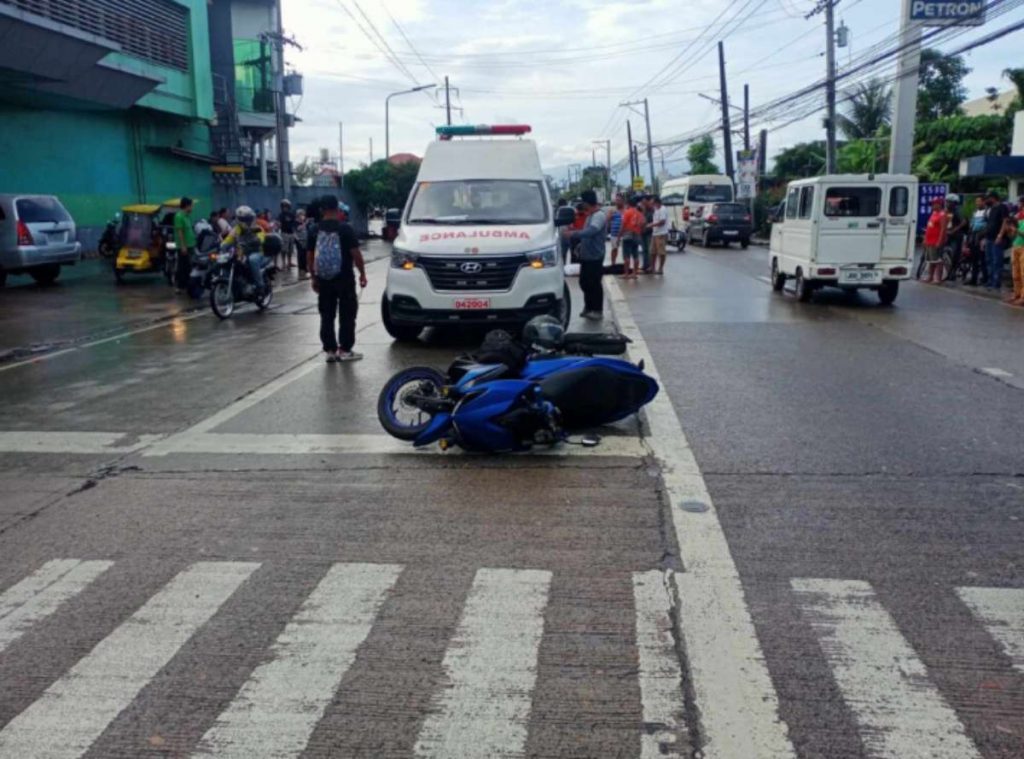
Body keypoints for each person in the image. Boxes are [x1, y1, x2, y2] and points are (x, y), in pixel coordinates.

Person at [310, 194, 367, 362]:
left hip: (324, 278)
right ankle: (345, 349)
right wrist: (362, 273)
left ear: (322, 210)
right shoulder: (345, 229)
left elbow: (310, 256)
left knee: (327, 314)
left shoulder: (314, 229)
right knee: (347, 314)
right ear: (337, 208)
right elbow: (355, 254)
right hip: (344, 278)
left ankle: (330, 350)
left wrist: (313, 278)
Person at [567, 189, 607, 320]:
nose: (582, 205)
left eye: (583, 202)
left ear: (586, 202)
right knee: (584, 282)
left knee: (594, 283)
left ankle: (597, 310)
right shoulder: (590, 215)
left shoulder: (599, 215)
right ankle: (589, 307)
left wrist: (574, 234)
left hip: (595, 256)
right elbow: (586, 233)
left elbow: (591, 231)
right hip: (586, 255)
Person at [221, 206, 267, 293]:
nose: (247, 221)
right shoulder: (237, 229)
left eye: (248, 218)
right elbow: (229, 239)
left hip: (257, 252)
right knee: (229, 260)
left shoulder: (257, 228)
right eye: (244, 219)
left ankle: (260, 285)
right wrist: (222, 245)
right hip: (242, 252)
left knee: (252, 259)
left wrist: (257, 240)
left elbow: (261, 238)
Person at [614, 197, 645, 279]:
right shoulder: (639, 213)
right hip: (637, 234)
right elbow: (643, 223)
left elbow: (623, 226)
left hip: (627, 234)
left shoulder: (627, 213)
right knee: (636, 255)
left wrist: (618, 237)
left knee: (626, 256)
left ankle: (626, 274)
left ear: (628, 204)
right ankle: (634, 274)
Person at [983, 191, 1008, 291]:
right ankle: (990, 281)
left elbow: (1005, 221)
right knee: (989, 260)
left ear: (993, 198)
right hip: (989, 237)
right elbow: (989, 223)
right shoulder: (991, 209)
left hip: (997, 238)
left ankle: (996, 282)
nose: (987, 200)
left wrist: (1000, 235)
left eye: (988, 198)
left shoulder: (1002, 207)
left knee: (996, 260)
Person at [172, 197, 196, 294]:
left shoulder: (187, 216)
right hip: (184, 246)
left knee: (189, 266)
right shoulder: (179, 216)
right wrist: (183, 246)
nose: (192, 208)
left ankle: (187, 285)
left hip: (191, 244)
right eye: (191, 206)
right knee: (182, 266)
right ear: (187, 206)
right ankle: (179, 286)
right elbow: (180, 232)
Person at [921, 197, 948, 284]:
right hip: (929, 241)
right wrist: (925, 239)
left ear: (939, 204)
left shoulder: (942, 215)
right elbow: (929, 227)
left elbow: (943, 229)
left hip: (936, 241)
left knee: (937, 260)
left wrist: (939, 241)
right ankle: (930, 277)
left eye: (934, 204)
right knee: (930, 260)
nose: (932, 206)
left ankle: (938, 278)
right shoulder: (934, 213)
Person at [967, 195, 988, 286]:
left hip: (982, 237)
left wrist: (983, 236)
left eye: (979, 201)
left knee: (983, 260)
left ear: (984, 202)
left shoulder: (987, 212)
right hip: (973, 237)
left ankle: (985, 279)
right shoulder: (975, 212)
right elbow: (971, 224)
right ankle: (973, 279)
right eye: (976, 202)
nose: (977, 203)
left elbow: (988, 225)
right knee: (973, 259)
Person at [944, 196, 966, 282]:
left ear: (954, 203)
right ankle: (946, 271)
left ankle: (953, 272)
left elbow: (963, 222)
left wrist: (954, 230)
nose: (947, 203)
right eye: (946, 202)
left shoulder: (958, 211)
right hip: (948, 234)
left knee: (954, 254)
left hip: (956, 235)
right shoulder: (947, 211)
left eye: (949, 202)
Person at [1007, 197, 1024, 305]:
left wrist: (1016, 230)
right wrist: (1010, 229)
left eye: (1021, 203)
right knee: (1015, 273)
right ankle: (1016, 294)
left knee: (1023, 273)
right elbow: (1012, 234)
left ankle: (1023, 297)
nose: (1019, 205)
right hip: (1015, 245)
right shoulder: (1019, 216)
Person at [647, 195, 669, 275]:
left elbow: (662, 222)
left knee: (661, 252)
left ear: (657, 202)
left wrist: (651, 225)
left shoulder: (662, 209)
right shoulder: (656, 209)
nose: (652, 204)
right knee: (652, 252)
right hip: (655, 233)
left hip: (661, 234)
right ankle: (652, 267)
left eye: (653, 203)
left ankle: (660, 268)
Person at [278, 199, 297, 269]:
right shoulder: (281, 215)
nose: (285, 208)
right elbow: (279, 223)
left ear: (289, 207)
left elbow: (294, 224)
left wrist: (295, 232)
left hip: (291, 233)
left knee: (290, 249)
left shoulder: (291, 214)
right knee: (284, 249)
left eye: (286, 206)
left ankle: (289, 262)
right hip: (284, 233)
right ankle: (283, 263)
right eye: (283, 206)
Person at [607, 195, 624, 265]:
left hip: (624, 233)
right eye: (616, 200)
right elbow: (608, 219)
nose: (617, 202)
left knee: (625, 250)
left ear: (623, 201)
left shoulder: (625, 209)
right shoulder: (612, 209)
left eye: (619, 200)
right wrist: (611, 214)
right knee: (614, 249)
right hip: (614, 233)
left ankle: (625, 265)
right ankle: (613, 263)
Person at [640, 195, 654, 273]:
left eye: (645, 202)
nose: (643, 203)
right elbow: (641, 219)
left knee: (649, 250)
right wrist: (643, 210)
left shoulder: (652, 210)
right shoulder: (644, 210)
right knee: (644, 250)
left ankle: (650, 266)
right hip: (643, 232)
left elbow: (653, 220)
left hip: (650, 232)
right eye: (643, 202)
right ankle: (645, 265)